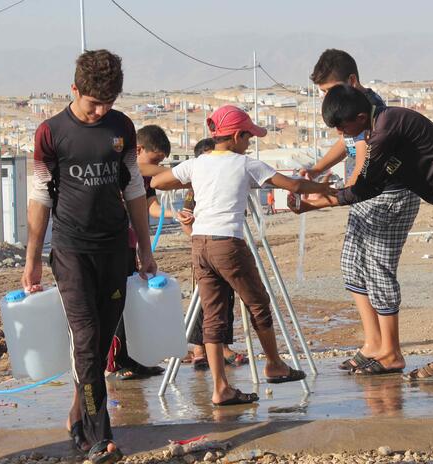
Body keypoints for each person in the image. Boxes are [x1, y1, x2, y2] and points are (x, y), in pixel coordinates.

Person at [296, 84, 433, 391]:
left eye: (343, 128)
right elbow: (369, 187)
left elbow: (362, 189)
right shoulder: (380, 125)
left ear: (359, 116)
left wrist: (313, 201)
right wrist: (317, 199)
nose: (342, 135)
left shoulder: (385, 131)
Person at [22, 49, 156, 463]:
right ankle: (99, 436)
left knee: (100, 345)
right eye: (93, 102)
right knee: (85, 338)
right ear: (74, 90)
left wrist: (145, 249)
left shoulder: (122, 128)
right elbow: (40, 197)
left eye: (108, 103)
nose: (100, 111)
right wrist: (30, 259)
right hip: (70, 250)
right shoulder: (51, 133)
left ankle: (77, 413)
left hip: (115, 248)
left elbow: (133, 189)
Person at [152, 105, 332, 406]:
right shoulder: (246, 164)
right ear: (236, 136)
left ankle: (221, 387)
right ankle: (274, 364)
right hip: (228, 243)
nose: (249, 143)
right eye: (248, 138)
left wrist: (198, 182)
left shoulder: (197, 164)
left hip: (199, 243)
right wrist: (324, 186)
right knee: (258, 302)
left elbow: (157, 182)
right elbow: (295, 185)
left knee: (213, 315)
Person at [300, 49, 421, 375]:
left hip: (387, 197)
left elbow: (359, 176)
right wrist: (316, 169)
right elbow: (347, 146)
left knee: (378, 270)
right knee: (353, 267)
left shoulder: (370, 113)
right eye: (324, 94)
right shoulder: (350, 113)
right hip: (364, 197)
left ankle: (391, 351)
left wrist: (318, 199)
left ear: (352, 82)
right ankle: (373, 343)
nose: (329, 98)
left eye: (330, 90)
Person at [107, 125, 174, 380]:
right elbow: (142, 168)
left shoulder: (146, 177)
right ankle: (115, 361)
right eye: (155, 159)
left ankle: (132, 358)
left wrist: (174, 214)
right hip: (114, 243)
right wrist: (176, 172)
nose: (157, 166)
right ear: (138, 149)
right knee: (117, 304)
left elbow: (152, 207)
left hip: (130, 244)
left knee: (130, 302)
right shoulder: (125, 167)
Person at [178, 137, 247, 371]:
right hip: (206, 248)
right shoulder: (196, 186)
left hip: (223, 245)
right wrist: (198, 241)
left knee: (225, 299)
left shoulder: (227, 179)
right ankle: (200, 349)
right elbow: (185, 219)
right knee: (204, 303)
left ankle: (222, 346)